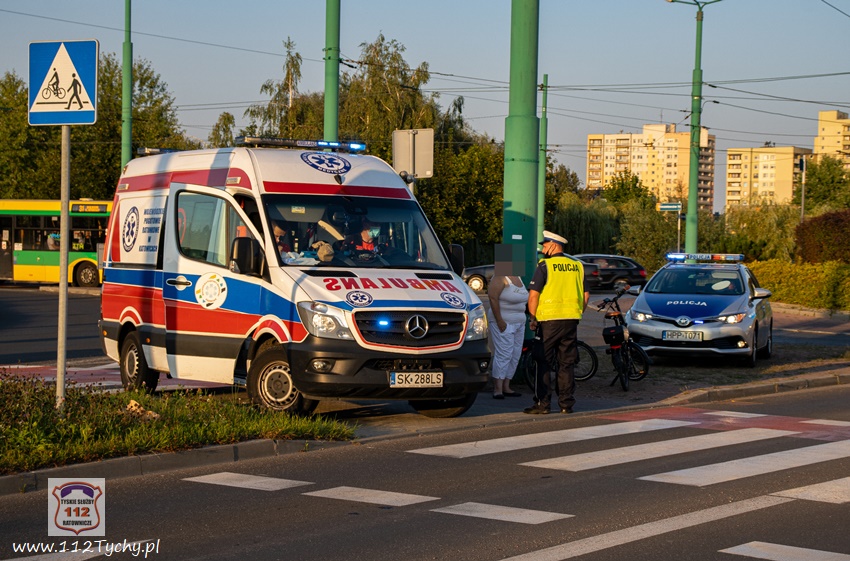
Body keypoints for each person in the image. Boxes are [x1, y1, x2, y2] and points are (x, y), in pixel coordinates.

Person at [524, 230, 590, 415]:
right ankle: (566, 404)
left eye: (545, 245)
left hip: (548, 322)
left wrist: (532, 318)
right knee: (566, 363)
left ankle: (543, 404)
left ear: (553, 245)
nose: (543, 249)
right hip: (571, 321)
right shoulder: (577, 266)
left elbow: (533, 296)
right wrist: (577, 312)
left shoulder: (545, 266)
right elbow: (586, 295)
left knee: (543, 362)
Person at [486, 245, 528, 399]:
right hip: (503, 322)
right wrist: (500, 321)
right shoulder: (500, 277)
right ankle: (497, 388)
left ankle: (507, 386)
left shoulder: (518, 277)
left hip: (519, 323)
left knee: (515, 354)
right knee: (504, 353)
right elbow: (493, 298)